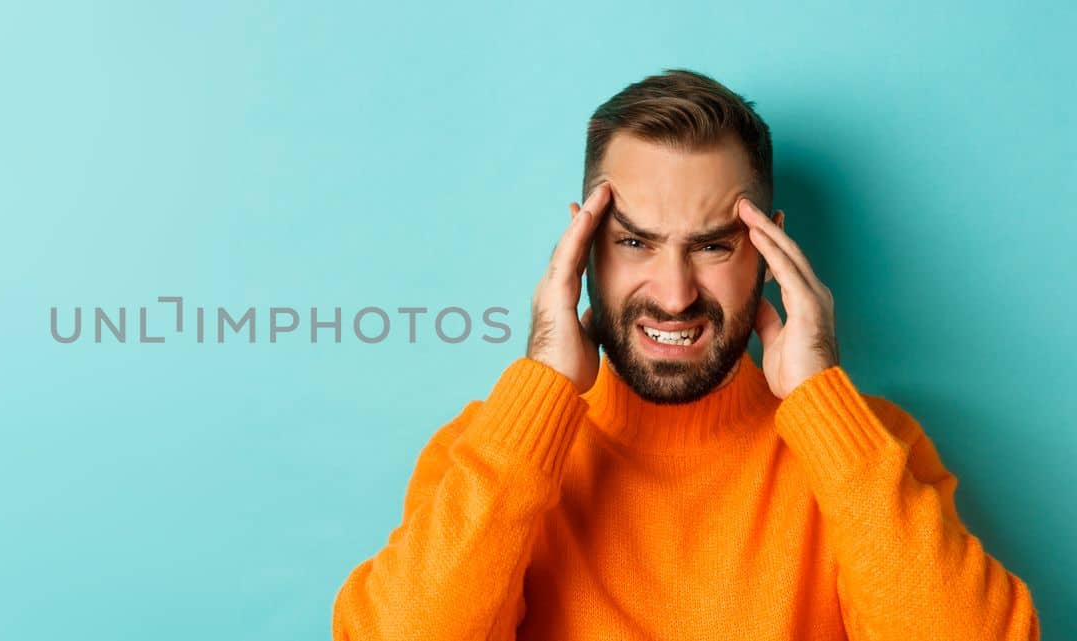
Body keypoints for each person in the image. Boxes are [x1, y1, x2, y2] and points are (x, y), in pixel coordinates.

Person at [331, 69, 1039, 640]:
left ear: (769, 251)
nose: (674, 295)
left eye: (712, 244)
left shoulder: (867, 447)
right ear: (581, 248)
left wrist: (823, 406)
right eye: (634, 241)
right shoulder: (492, 450)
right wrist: (543, 385)